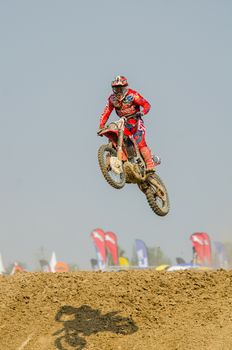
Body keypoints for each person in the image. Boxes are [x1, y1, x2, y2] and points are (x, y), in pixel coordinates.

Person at [98, 75, 155, 173]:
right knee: (113, 134)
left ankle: (150, 164)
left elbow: (146, 104)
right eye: (116, 88)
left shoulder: (133, 95)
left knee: (140, 141)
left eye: (120, 88)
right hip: (124, 122)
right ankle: (113, 161)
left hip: (136, 121)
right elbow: (106, 112)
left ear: (125, 87)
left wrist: (143, 112)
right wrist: (101, 126)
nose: (118, 91)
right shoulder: (112, 99)